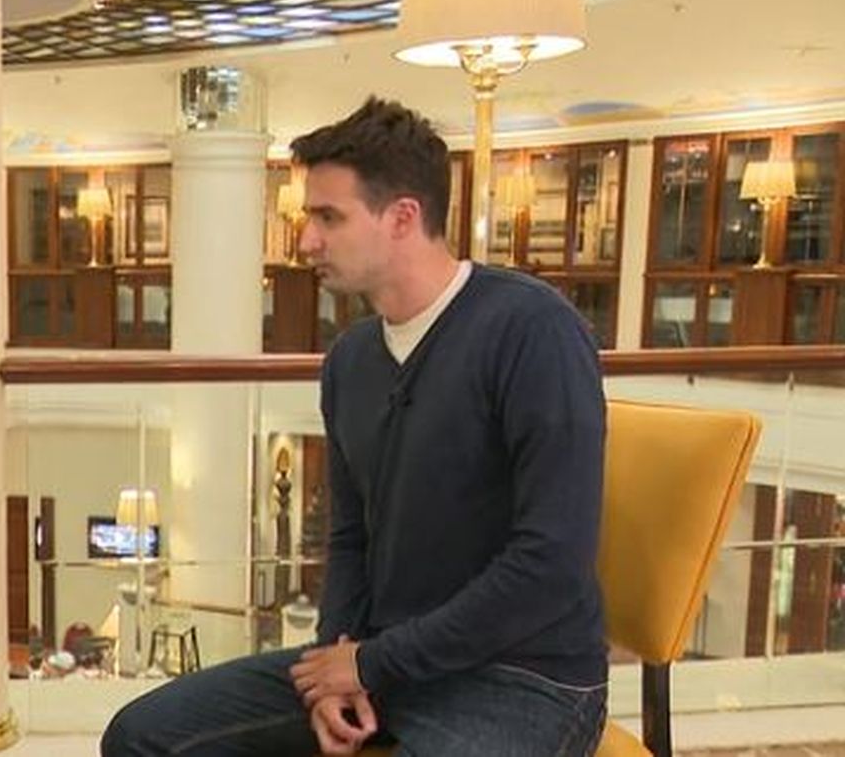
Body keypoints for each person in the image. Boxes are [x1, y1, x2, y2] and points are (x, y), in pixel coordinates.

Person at [102, 97, 608, 756]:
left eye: (328, 217)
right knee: (140, 737)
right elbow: (351, 538)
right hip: (382, 660)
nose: (305, 241)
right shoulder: (351, 360)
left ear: (403, 217)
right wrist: (333, 666)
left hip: (523, 679)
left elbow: (551, 564)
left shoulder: (533, 330)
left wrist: (370, 664)